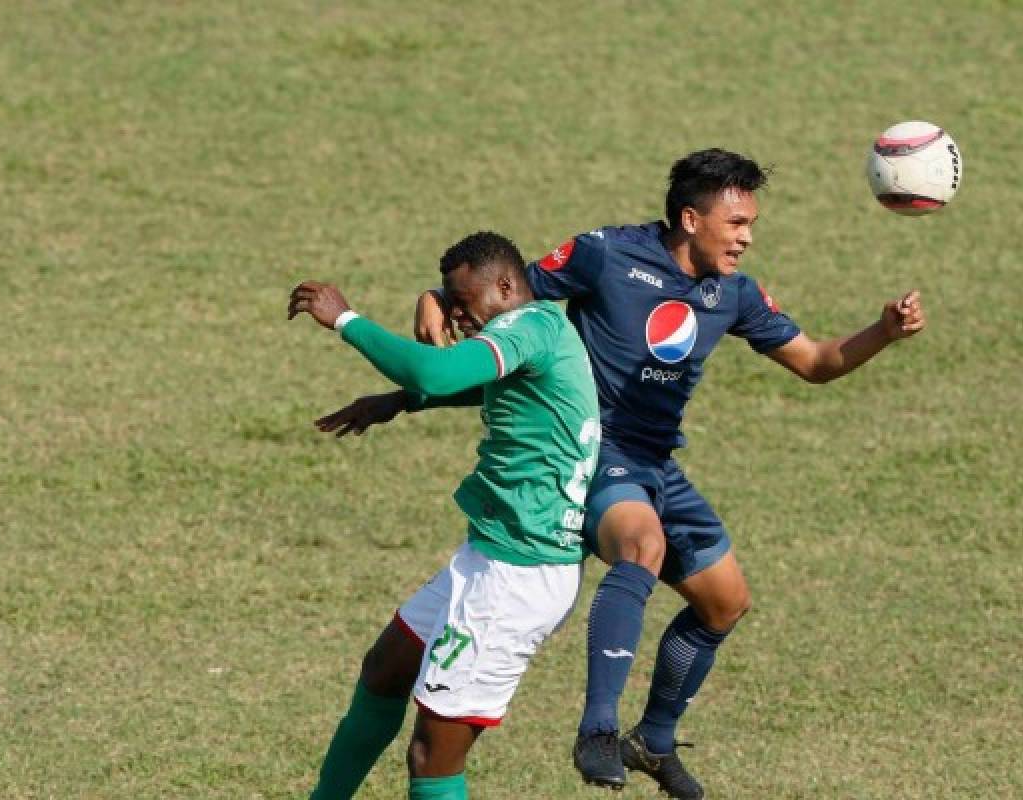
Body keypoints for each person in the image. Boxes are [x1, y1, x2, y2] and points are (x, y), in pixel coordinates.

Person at [413, 150, 927, 799]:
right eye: (736, 222)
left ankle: (652, 740)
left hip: (656, 462)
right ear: (691, 218)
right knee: (642, 546)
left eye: (752, 224)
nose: (746, 237)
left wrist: (883, 331)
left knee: (724, 601)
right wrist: (435, 296)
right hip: (593, 447)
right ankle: (597, 730)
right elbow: (507, 286)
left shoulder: (733, 293)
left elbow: (818, 362)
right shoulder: (606, 255)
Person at [291, 231, 601, 800]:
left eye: (464, 302)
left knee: (432, 757)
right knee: (385, 669)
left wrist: (345, 319)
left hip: (515, 580)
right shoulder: (540, 334)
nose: (458, 316)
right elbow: (471, 385)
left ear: (507, 286)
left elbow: (436, 372)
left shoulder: (528, 326)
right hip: (488, 558)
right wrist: (400, 401)